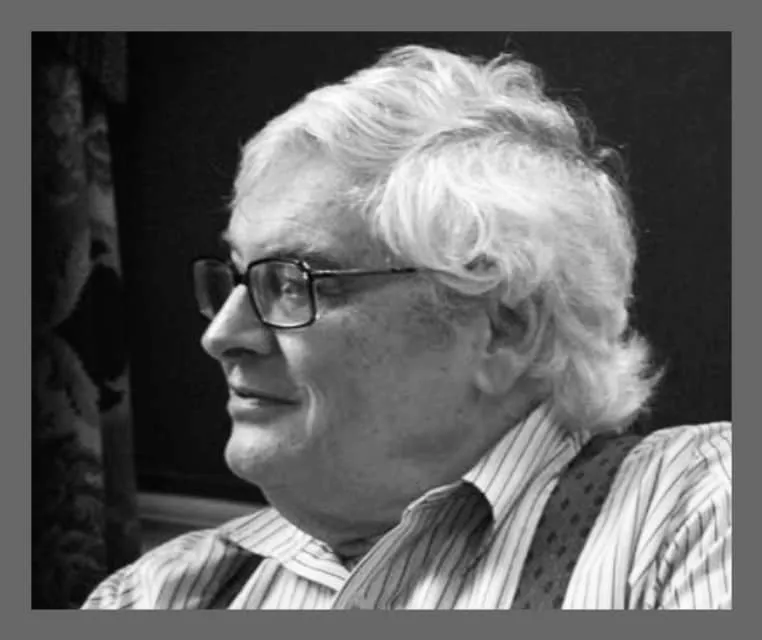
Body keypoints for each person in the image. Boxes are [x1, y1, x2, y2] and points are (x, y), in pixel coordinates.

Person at [82, 44, 731, 609]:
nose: (221, 335)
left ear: (505, 329)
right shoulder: (155, 596)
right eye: (235, 278)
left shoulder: (698, 509)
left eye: (292, 283)